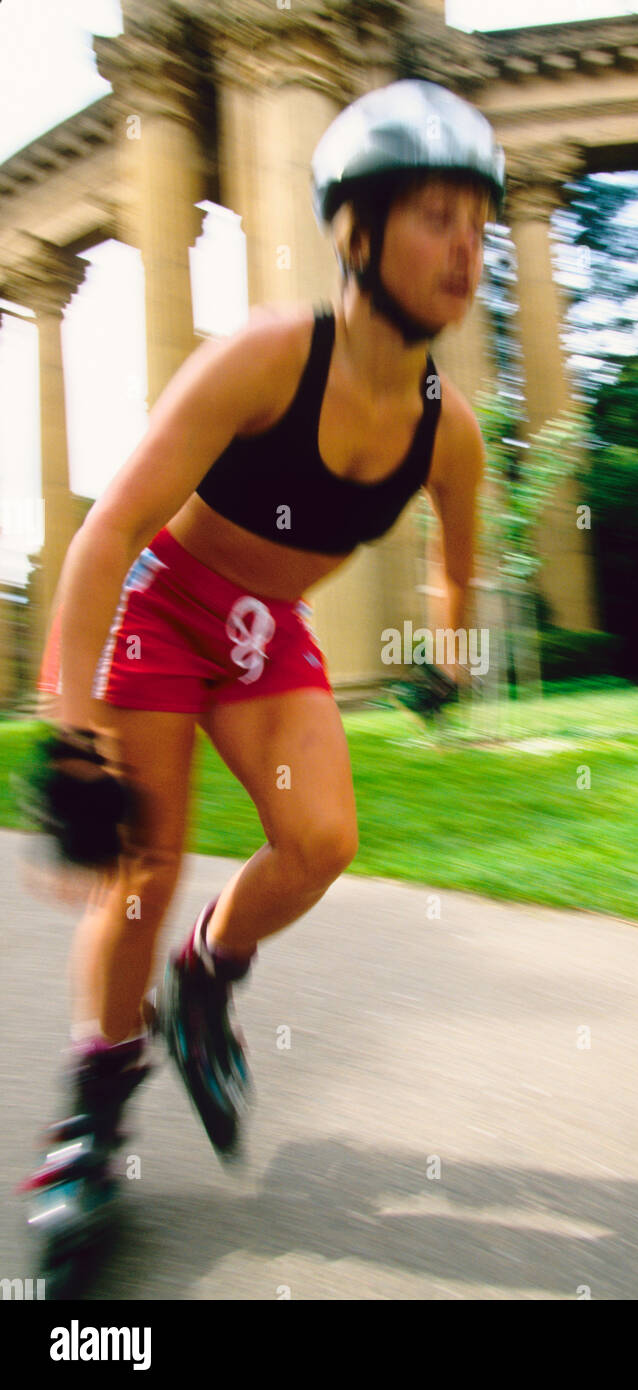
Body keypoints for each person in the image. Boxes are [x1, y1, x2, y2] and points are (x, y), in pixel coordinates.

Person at [18, 78, 505, 1292]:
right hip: (169, 609)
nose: (466, 246)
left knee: (322, 839)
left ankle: (207, 980)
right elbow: (109, 528)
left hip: (264, 633)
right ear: (357, 229)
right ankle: (91, 1120)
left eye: (478, 221)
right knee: (142, 868)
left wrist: (445, 658)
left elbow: (455, 564)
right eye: (437, 215)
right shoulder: (265, 358)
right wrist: (66, 731)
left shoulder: (448, 431)